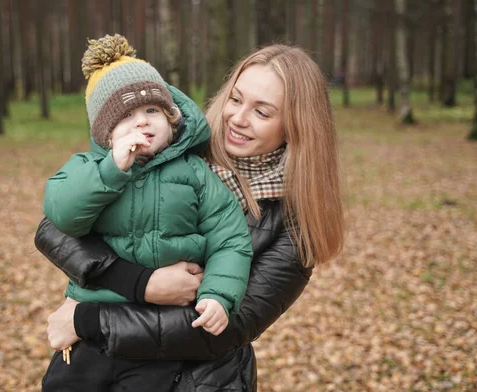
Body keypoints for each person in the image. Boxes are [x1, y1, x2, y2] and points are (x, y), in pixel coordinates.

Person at [36, 43, 345, 391]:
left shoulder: (296, 227)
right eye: (236, 99)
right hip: (98, 366)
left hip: (200, 380)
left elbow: (224, 329)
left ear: (295, 127)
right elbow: (54, 228)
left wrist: (89, 320)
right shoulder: (172, 146)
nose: (238, 118)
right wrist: (138, 282)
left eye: (262, 112)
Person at [41, 34, 252, 391]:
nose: (142, 122)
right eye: (125, 116)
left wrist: (218, 294)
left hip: (155, 333)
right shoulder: (90, 167)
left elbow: (230, 239)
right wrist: (111, 169)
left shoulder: (196, 174)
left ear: (172, 120)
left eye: (152, 111)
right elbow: (62, 215)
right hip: (88, 330)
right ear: (106, 135)